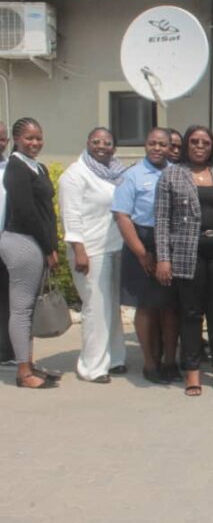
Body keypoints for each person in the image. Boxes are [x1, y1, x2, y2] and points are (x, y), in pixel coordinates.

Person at [155, 125, 213, 396]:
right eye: (194, 142)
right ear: (186, 145)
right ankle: (193, 370)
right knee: (191, 313)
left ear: (211, 147)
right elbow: (161, 220)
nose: (199, 146)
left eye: (205, 143)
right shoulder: (171, 175)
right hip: (187, 254)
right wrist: (163, 258)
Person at [59, 127, 126, 384]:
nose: (102, 146)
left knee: (112, 307)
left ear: (114, 147)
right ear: (87, 143)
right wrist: (79, 251)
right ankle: (92, 367)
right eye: (96, 141)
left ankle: (115, 358)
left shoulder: (115, 172)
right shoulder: (75, 175)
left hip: (115, 247)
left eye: (107, 142)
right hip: (90, 250)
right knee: (95, 308)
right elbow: (71, 216)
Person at [113, 128, 179, 384]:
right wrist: (141, 253)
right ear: (145, 145)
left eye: (163, 144)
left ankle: (170, 360)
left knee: (172, 307)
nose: (157, 148)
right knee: (147, 307)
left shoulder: (177, 172)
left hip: (172, 243)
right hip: (142, 241)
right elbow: (122, 216)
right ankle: (150, 363)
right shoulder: (132, 175)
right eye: (153, 143)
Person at [0, 118, 60, 388]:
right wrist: (48, 247)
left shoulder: (37, 167)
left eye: (38, 137)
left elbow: (46, 211)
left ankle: (29, 364)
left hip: (37, 243)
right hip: (23, 242)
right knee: (22, 309)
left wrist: (51, 246)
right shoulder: (15, 168)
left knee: (29, 308)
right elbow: (26, 213)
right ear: (16, 138)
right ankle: (23, 373)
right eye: (29, 138)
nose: (35, 143)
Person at [0, 121, 11, 366]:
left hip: (7, 243)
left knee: (7, 300)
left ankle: (6, 351)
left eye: (3, 138)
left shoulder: (12, 168)